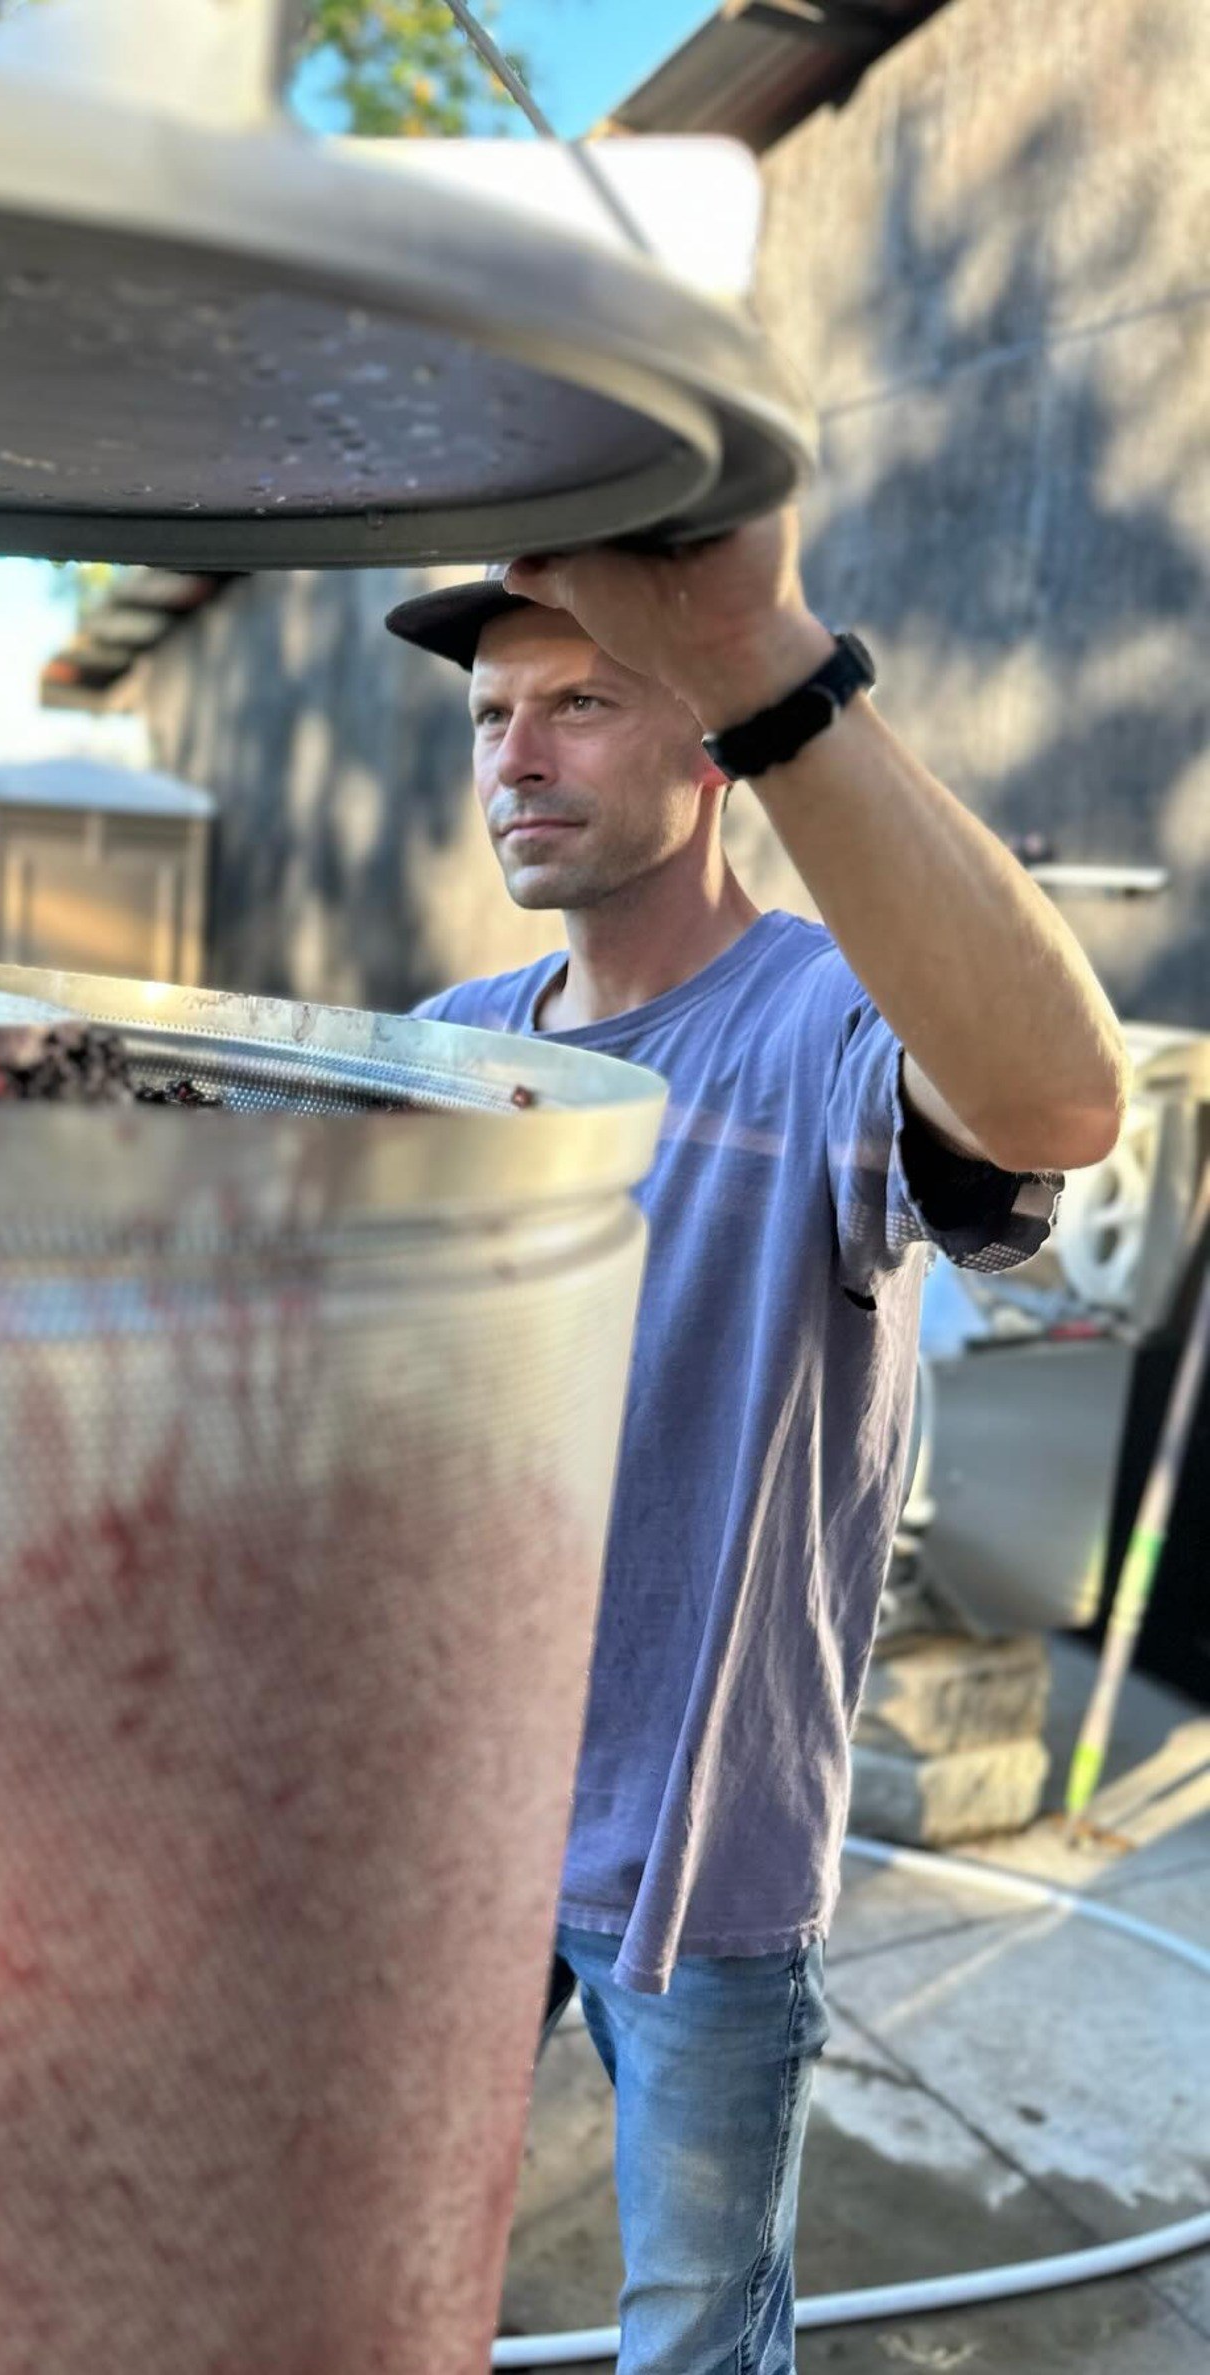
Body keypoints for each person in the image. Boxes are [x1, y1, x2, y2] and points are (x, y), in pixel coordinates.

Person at [385, 513, 1127, 2375]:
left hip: (703, 1850)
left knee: (698, 2339)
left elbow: (1057, 1100)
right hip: (459, 1823)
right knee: (381, 2277)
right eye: (491, 715)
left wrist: (771, 657)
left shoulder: (812, 1025)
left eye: (584, 703)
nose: (519, 757)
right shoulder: (452, 1048)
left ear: (710, 744)